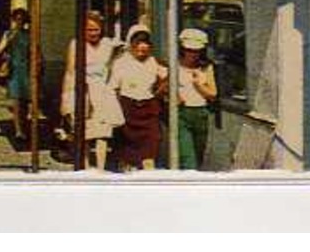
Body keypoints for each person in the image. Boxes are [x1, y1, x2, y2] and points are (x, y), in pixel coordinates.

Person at [61, 10, 125, 170]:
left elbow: (125, 51)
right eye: (89, 30)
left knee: (103, 132)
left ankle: (101, 168)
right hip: (83, 90)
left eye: (96, 29)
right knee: (85, 132)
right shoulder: (76, 44)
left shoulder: (108, 44)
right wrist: (65, 97)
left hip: (102, 91)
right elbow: (69, 72)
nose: (93, 33)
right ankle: (86, 165)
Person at [108, 25, 168, 170]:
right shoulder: (121, 63)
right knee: (127, 151)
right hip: (128, 109)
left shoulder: (154, 62)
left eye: (146, 45)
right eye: (138, 45)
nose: (142, 49)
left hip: (148, 109)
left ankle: (149, 179)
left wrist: (158, 93)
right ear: (131, 45)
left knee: (150, 146)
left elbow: (168, 79)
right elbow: (113, 88)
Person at [175, 27, 219, 169]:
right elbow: (166, 88)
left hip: (201, 114)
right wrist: (175, 96)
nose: (193, 54)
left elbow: (213, 95)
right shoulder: (175, 65)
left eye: (196, 50)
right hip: (182, 114)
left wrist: (198, 85)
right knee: (188, 159)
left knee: (199, 157)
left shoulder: (206, 67)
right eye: (189, 50)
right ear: (183, 49)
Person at [0, 8, 36, 143]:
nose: (19, 22)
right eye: (17, 19)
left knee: (25, 102)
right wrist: (9, 40)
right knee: (16, 101)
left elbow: (35, 51)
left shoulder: (29, 34)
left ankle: (24, 126)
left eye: (21, 19)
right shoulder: (8, 34)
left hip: (26, 69)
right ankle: (18, 130)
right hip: (14, 70)